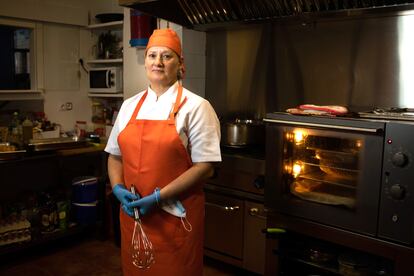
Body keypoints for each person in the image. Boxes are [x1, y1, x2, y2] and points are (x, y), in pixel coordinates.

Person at [105, 28, 221, 275]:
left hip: (174, 218)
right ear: (145, 61)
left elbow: (205, 167)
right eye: (152, 55)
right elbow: (115, 156)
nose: (158, 62)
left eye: (167, 56)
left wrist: (158, 198)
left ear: (180, 64)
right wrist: (117, 189)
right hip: (135, 216)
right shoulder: (128, 107)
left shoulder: (197, 107)